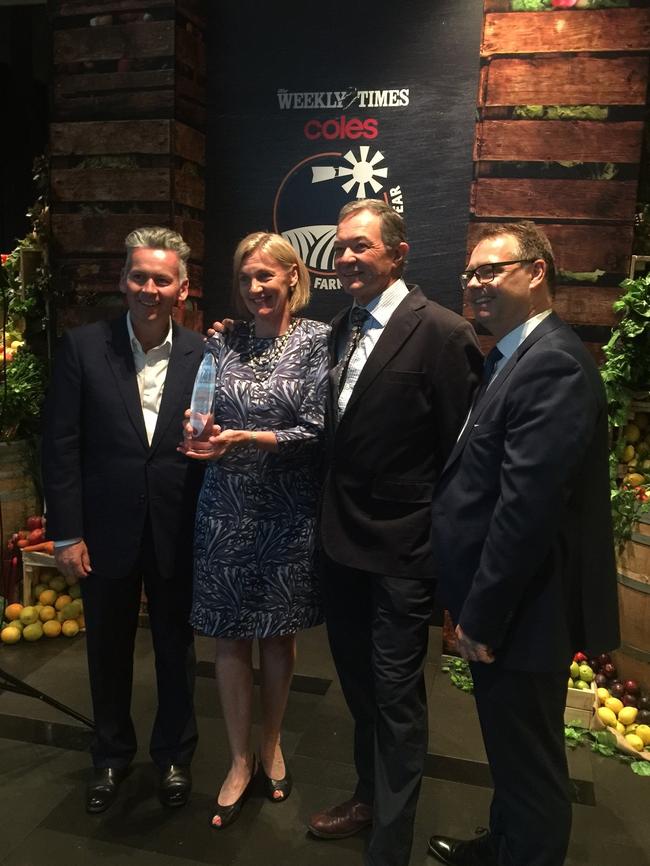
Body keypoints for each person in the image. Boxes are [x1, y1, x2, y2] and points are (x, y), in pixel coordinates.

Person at [427, 222, 620, 866]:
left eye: (491, 271)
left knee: (531, 761)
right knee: (510, 748)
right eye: (470, 274)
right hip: (509, 607)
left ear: (536, 273)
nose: (475, 284)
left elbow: (526, 511)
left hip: (523, 612)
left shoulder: (553, 363)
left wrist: (482, 614)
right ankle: (503, 845)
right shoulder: (512, 356)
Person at [308, 199, 483, 866]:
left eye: (362, 246)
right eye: (341, 247)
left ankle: (390, 845)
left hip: (405, 554)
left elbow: (461, 460)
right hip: (342, 545)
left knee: (397, 699)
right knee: (357, 687)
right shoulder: (338, 329)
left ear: (399, 253)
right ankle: (366, 797)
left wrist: (448, 562)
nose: (347, 257)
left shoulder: (441, 332)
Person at [41, 226, 205, 814]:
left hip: (175, 528)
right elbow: (60, 445)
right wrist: (66, 531)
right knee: (106, 650)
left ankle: (175, 756)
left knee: (175, 650)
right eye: (139, 276)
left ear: (182, 289)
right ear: (122, 280)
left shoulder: (205, 355)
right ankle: (109, 756)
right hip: (102, 531)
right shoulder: (84, 347)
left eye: (162, 279)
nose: (149, 288)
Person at [179, 232, 329, 829]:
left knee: (277, 636)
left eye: (265, 276)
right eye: (245, 279)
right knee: (227, 636)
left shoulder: (319, 341)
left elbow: (317, 428)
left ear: (293, 275)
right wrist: (202, 433)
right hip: (225, 506)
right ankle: (239, 759)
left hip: (288, 509)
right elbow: (202, 407)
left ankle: (272, 744)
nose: (255, 289)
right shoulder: (223, 339)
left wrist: (247, 438)